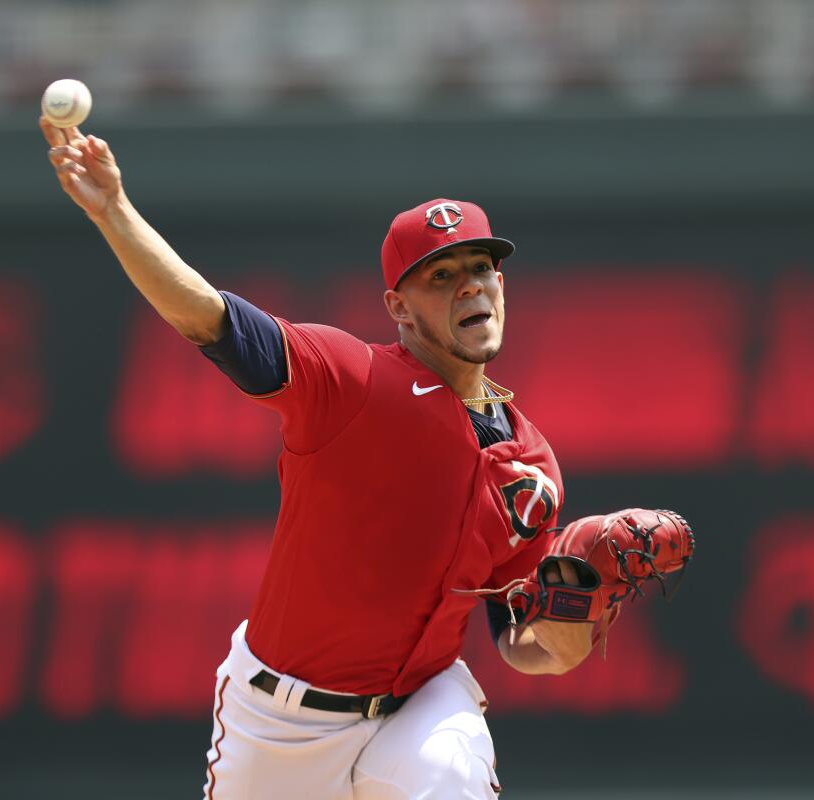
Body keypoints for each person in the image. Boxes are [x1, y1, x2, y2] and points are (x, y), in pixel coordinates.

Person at [41, 117, 609, 800]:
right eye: (443, 274)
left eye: (483, 268)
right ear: (399, 307)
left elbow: (527, 644)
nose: (470, 287)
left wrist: (576, 610)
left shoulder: (534, 463)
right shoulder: (351, 379)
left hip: (422, 706)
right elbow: (206, 316)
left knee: (452, 777)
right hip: (283, 721)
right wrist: (114, 211)